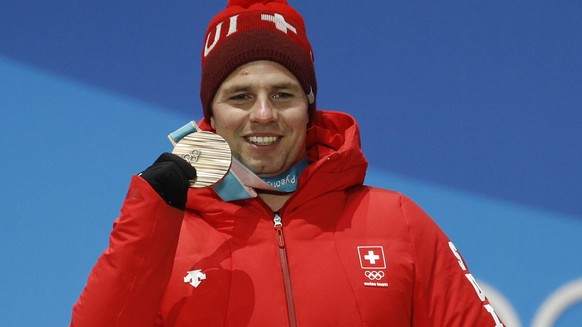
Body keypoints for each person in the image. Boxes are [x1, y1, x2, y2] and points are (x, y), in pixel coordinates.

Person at [71, 0, 505, 326]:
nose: (263, 115)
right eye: (240, 96)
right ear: (212, 114)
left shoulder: (398, 224)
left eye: (283, 94)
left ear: (309, 106)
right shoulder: (164, 234)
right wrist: (149, 220)